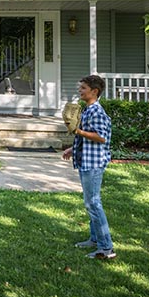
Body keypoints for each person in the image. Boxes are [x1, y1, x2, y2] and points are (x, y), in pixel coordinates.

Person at [63, 74, 116, 259]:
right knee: (91, 203)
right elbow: (89, 136)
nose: (80, 90)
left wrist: (77, 130)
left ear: (94, 91)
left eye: (83, 88)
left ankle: (106, 248)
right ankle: (94, 239)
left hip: (93, 163)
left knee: (93, 203)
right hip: (87, 159)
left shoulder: (97, 111)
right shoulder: (88, 110)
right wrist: (72, 148)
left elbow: (101, 137)